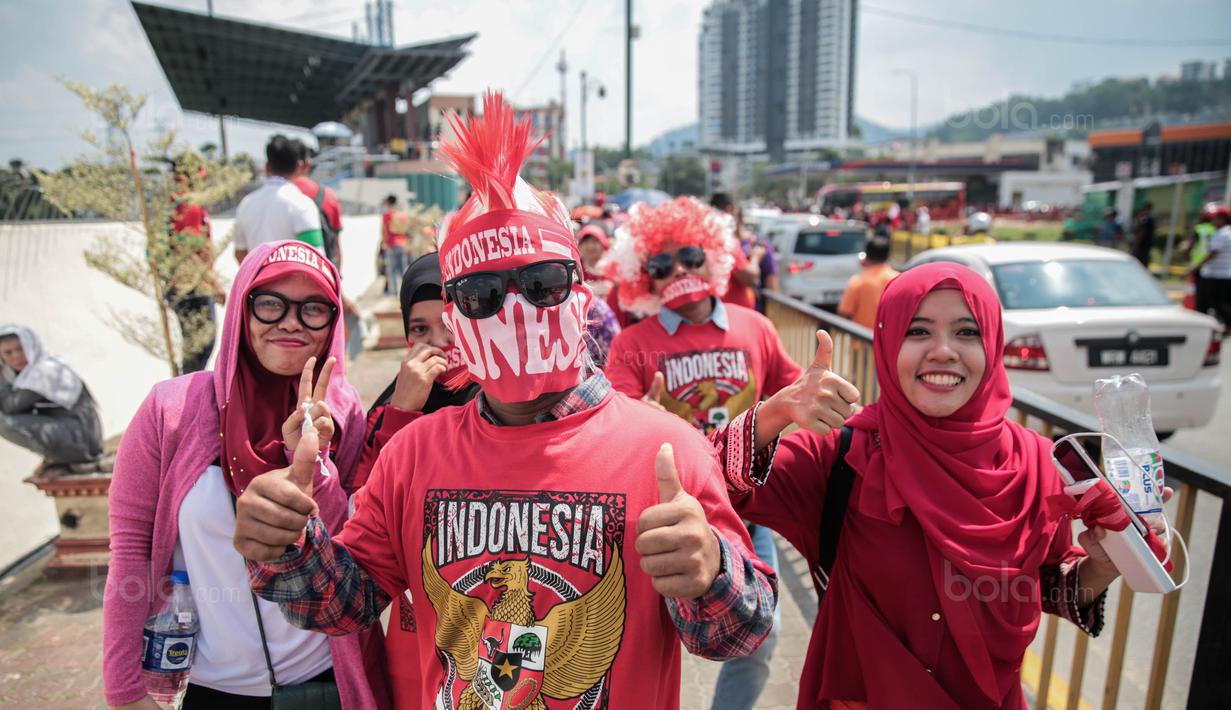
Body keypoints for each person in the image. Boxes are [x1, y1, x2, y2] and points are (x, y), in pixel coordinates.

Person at [232, 92, 776, 710]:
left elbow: (740, 635)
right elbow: (346, 604)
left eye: (542, 283)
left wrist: (711, 574)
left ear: (580, 296)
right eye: (482, 294)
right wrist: (285, 546)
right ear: (455, 319)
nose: (515, 310)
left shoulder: (668, 451)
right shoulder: (412, 454)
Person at [710, 262, 1135, 709]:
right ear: (889, 341)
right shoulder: (839, 455)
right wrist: (776, 412)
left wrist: (1103, 565)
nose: (944, 351)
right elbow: (704, 480)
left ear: (993, 343)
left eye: (967, 332)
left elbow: (1049, 590)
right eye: (918, 331)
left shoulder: (1036, 465)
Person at [102, 241, 385, 709]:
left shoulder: (342, 410)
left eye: (313, 309)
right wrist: (124, 690)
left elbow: (350, 548)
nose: (291, 322)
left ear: (332, 323)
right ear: (240, 310)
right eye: (270, 303)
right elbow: (131, 547)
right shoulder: (170, 412)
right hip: (214, 687)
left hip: (325, 680)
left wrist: (313, 459)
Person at [603, 196, 801, 710]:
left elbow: (793, 389)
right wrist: (638, 417)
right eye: (660, 265)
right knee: (640, 645)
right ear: (643, 277)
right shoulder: (631, 343)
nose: (678, 272)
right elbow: (611, 423)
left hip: (747, 513)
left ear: (712, 257)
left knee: (762, 638)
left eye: (689, 256)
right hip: (663, 521)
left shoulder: (755, 326)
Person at [290, 140, 364, 361]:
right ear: (306, 164)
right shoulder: (325, 196)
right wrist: (338, 289)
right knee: (328, 356)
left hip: (277, 299)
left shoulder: (267, 200)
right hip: (319, 291)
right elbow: (335, 249)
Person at [0, 325, 103, 466]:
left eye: (21, 348)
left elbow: (10, 406)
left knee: (3, 421)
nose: (16, 356)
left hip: (83, 440)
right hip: (78, 435)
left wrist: (1, 381)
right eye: (8, 353)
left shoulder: (44, 372)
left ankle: (71, 457)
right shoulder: (29, 374)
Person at [166, 158, 226, 373]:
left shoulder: (174, 204)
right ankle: (189, 391)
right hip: (193, 288)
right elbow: (187, 251)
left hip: (183, 286)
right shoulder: (189, 207)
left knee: (196, 349)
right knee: (201, 346)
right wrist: (214, 284)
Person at [233, 135, 324, 263]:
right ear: (298, 166)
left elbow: (239, 252)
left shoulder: (246, 203)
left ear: (267, 167)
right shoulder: (302, 204)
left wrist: (257, 271)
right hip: (292, 276)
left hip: (255, 275)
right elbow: (316, 258)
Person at [709, 193, 761, 311]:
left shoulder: (711, 237)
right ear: (730, 210)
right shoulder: (724, 241)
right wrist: (756, 257)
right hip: (731, 313)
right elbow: (751, 278)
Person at [837, 235, 899, 330]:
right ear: (888, 256)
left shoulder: (858, 281)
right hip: (890, 337)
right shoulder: (898, 279)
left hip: (862, 336)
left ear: (867, 256)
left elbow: (844, 312)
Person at [1192, 204, 1231, 329]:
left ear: (1223, 219)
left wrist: (1196, 267)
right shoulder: (1222, 232)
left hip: (1217, 275)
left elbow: (1212, 254)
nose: (1212, 221)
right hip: (1217, 273)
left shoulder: (1223, 234)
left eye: (1215, 218)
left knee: (1216, 303)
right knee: (1216, 303)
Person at [381, 195, 411, 296]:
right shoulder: (402, 215)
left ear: (388, 203)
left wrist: (385, 244)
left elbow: (384, 231)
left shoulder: (387, 215)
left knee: (392, 270)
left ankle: (394, 292)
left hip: (392, 245)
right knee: (403, 269)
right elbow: (406, 230)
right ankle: (406, 291)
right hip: (403, 244)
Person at [1131, 201, 1157, 268]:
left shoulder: (1147, 217)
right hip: (1147, 241)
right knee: (1144, 257)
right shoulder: (1152, 217)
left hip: (1143, 242)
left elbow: (1142, 230)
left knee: (1140, 257)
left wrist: (1137, 241)